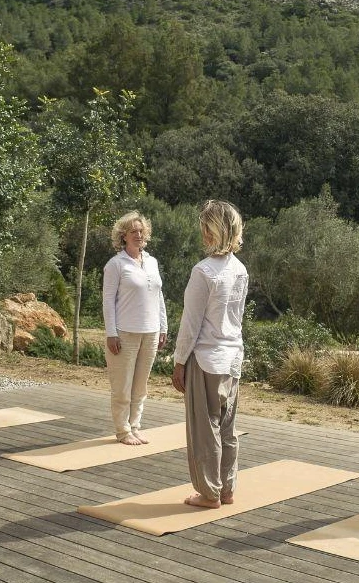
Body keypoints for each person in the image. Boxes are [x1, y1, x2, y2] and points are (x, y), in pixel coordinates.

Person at [171, 200, 249, 509]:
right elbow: (237, 318)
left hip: (205, 357)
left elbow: (190, 323)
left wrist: (179, 362)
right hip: (232, 357)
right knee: (227, 428)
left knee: (206, 429)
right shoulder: (240, 270)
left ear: (210, 230)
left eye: (204, 226)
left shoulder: (203, 271)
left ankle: (209, 493)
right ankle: (226, 489)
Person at [103, 211, 169, 445]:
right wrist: (111, 332)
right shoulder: (116, 264)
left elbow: (158, 295)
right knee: (122, 387)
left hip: (150, 333)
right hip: (124, 334)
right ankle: (122, 431)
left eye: (141, 231)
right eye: (133, 232)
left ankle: (135, 426)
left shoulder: (152, 261)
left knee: (140, 386)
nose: (139, 235)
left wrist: (163, 327)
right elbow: (108, 300)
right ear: (123, 236)